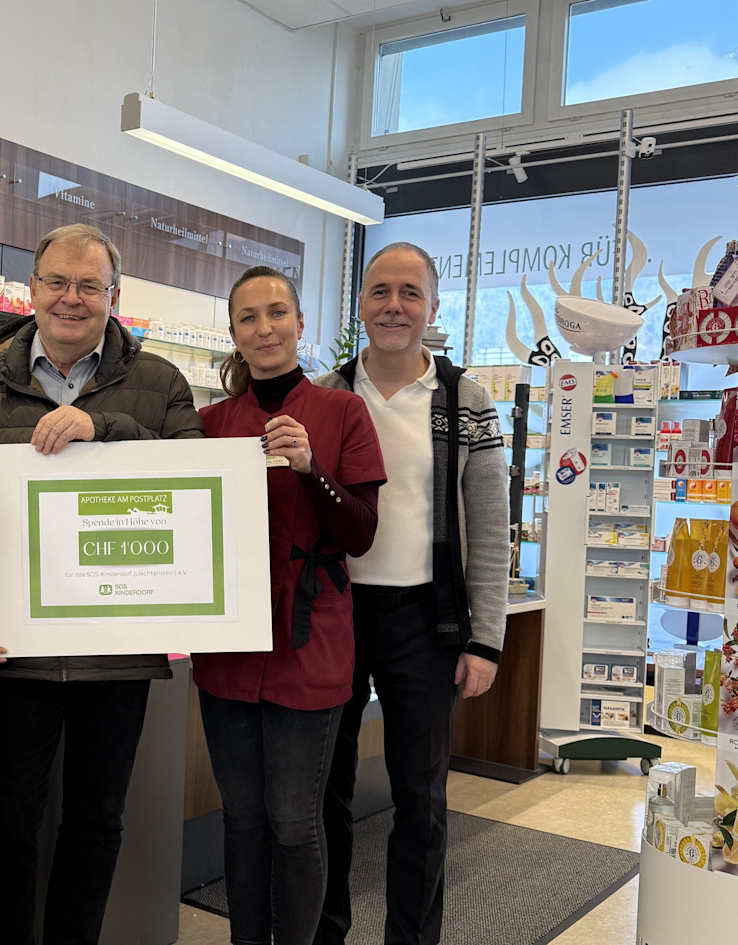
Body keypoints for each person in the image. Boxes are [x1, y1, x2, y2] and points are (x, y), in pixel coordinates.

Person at [0, 223, 204, 945]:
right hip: (12, 647)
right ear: (33, 288)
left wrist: (103, 428)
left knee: (95, 820)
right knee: (5, 821)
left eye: (90, 284)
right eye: (58, 281)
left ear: (115, 297)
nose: (72, 297)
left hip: (117, 647)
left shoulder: (159, 384)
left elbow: (197, 484)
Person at [313, 242, 509, 945]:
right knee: (323, 793)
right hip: (334, 615)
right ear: (361, 303)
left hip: (426, 620)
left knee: (419, 798)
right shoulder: (327, 393)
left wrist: (486, 638)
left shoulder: (464, 398)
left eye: (409, 293)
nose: (393, 305)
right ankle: (324, 930)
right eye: (379, 291)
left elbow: (489, 526)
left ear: (432, 306)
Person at [194, 265, 386, 945]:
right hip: (228, 647)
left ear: (301, 324)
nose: (265, 327)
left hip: (311, 643)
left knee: (294, 818)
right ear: (235, 333)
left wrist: (312, 471)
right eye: (248, 316)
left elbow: (361, 533)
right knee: (242, 817)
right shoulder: (210, 424)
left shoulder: (341, 413)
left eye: (277, 312)